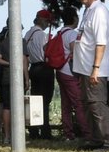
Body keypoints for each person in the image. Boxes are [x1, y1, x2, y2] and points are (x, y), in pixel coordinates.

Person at [72, 0, 109, 151]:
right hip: (84, 67)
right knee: (88, 105)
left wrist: (96, 68)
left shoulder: (99, 11)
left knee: (98, 105)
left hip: (95, 69)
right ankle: (96, 139)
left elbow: (101, 43)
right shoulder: (88, 11)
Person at [54, 9, 87, 142]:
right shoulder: (72, 34)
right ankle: (87, 133)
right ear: (74, 18)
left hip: (60, 71)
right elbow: (76, 53)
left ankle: (68, 134)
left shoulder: (60, 33)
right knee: (79, 103)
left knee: (65, 105)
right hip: (70, 72)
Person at [24, 9, 57, 140]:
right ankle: (45, 132)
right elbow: (47, 51)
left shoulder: (28, 34)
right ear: (42, 20)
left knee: (34, 100)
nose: (48, 24)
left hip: (33, 68)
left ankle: (33, 130)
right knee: (45, 101)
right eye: (47, 21)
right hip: (44, 68)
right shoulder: (42, 35)